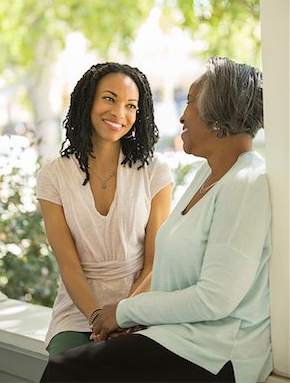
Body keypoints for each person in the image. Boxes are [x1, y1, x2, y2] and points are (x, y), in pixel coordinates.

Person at [40, 57, 272, 383]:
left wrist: (124, 313)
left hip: (217, 351)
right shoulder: (206, 172)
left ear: (218, 115)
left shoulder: (247, 183)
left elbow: (214, 299)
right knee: (67, 365)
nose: (181, 114)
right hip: (175, 334)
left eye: (190, 101)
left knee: (68, 372)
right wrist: (116, 317)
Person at [36, 62, 173, 358]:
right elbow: (69, 266)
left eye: (131, 106)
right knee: (67, 369)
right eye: (109, 99)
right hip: (77, 313)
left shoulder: (155, 173)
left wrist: (122, 316)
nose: (119, 113)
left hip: (140, 309)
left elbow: (154, 264)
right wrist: (99, 318)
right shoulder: (53, 176)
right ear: (88, 101)